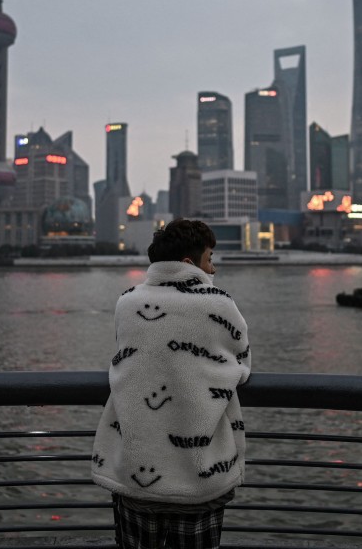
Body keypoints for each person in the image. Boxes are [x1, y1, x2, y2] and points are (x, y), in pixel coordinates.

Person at [91, 218, 251, 549]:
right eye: (210, 258)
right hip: (198, 478)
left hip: (136, 474)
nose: (214, 267)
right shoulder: (218, 303)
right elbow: (243, 364)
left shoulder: (127, 302)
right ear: (190, 263)